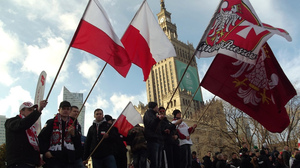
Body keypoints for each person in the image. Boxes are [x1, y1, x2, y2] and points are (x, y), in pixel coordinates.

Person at [38, 100, 82, 168]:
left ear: (70, 111)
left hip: (69, 159)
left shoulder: (75, 125)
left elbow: (78, 143)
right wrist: (45, 152)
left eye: (68, 109)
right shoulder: (51, 122)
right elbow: (42, 138)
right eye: (63, 108)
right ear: (59, 110)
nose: (65, 111)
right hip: (53, 158)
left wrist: (73, 134)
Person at [5, 100, 47, 168]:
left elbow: (34, 145)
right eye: (30, 110)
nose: (32, 112)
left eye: (34, 110)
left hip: (31, 164)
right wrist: (38, 111)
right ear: (22, 111)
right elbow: (23, 124)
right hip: (18, 163)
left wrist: (37, 159)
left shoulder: (32, 128)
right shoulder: (11, 121)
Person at [143, 102, 165, 168]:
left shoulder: (154, 115)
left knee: (159, 162)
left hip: (158, 140)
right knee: (154, 162)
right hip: (153, 140)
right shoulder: (148, 114)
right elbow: (150, 125)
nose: (158, 108)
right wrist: (158, 119)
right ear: (154, 107)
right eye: (157, 106)